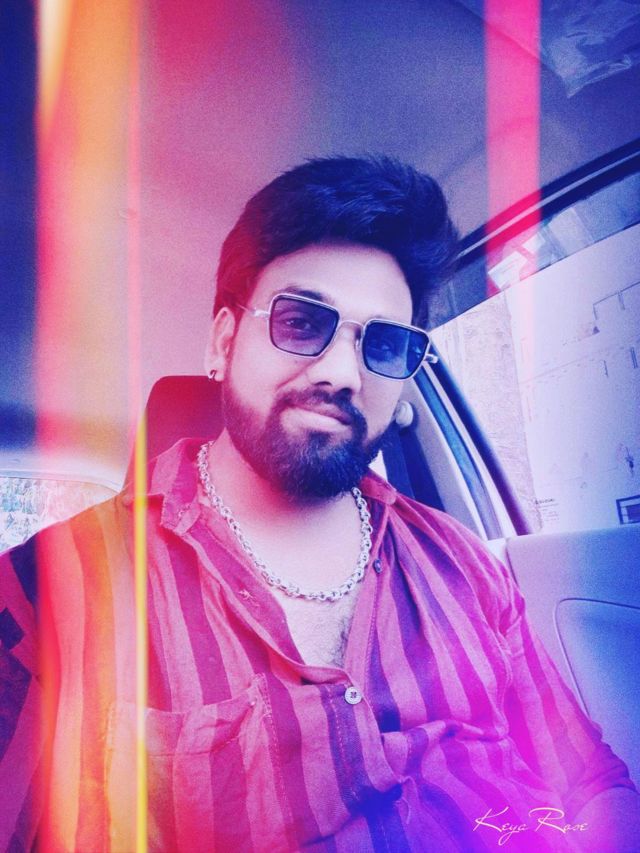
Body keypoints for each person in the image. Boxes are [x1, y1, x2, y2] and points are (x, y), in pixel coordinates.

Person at [0, 156, 638, 852]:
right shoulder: (51, 591)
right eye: (302, 322)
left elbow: (590, 782)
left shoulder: (466, 564)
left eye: (383, 344)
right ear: (222, 343)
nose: (341, 372)